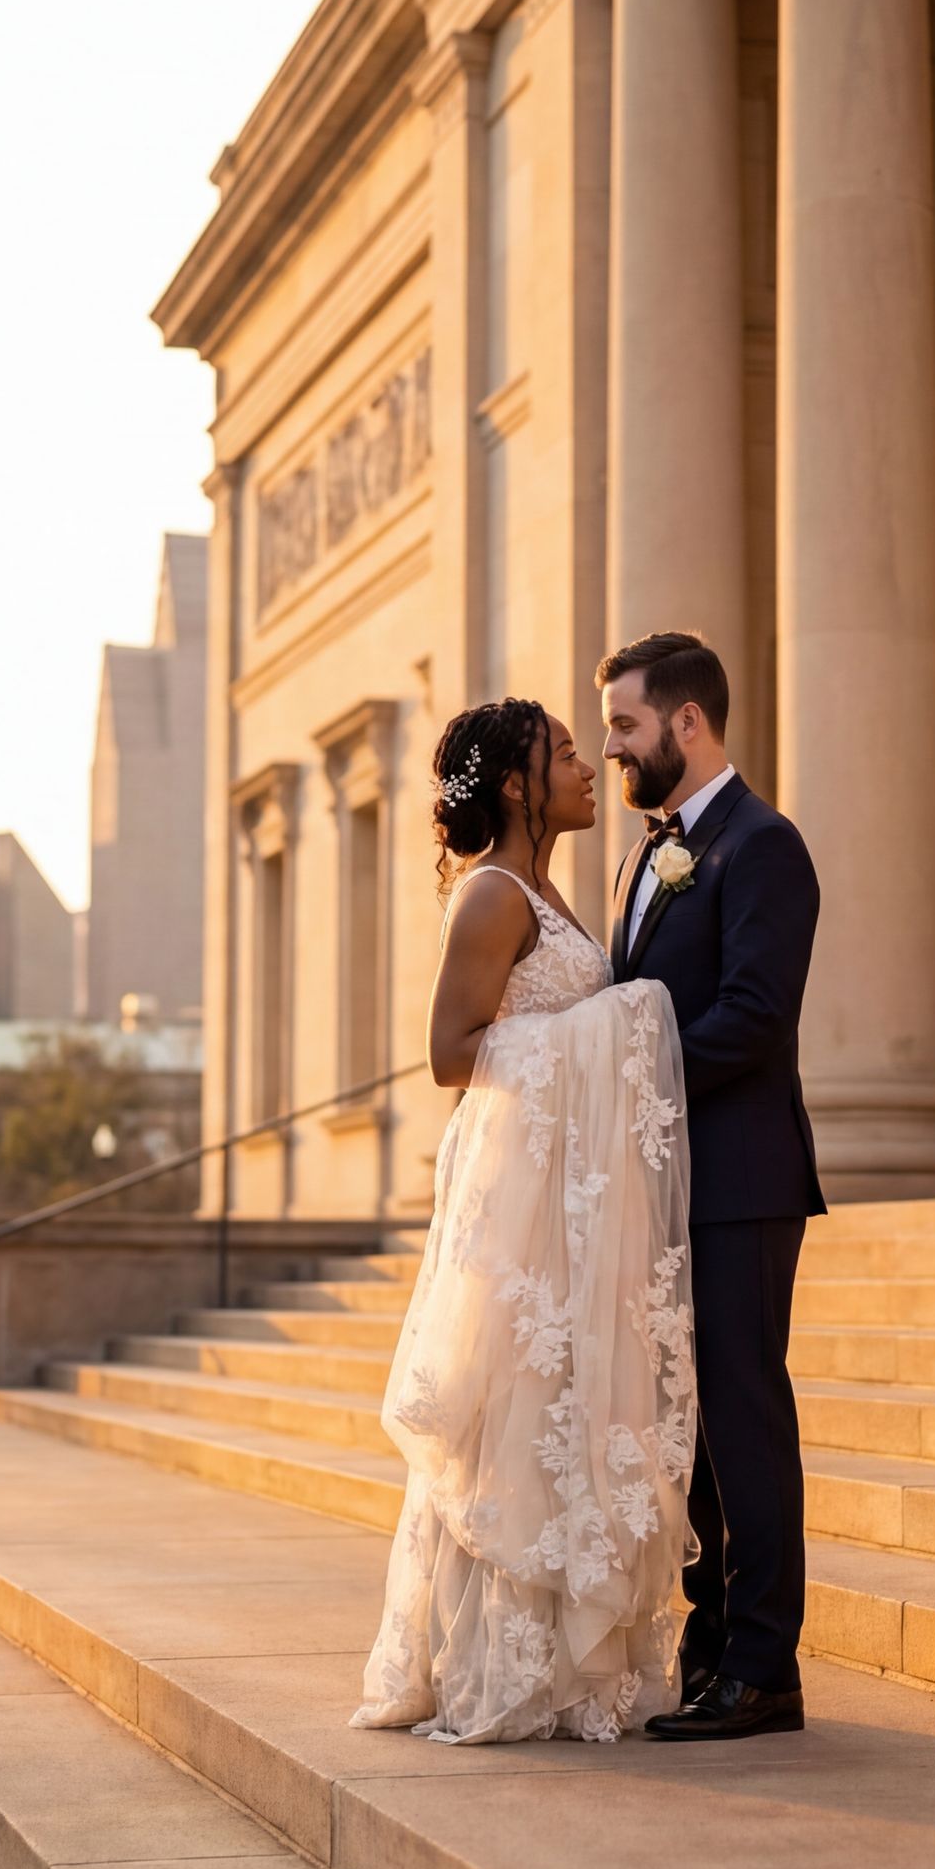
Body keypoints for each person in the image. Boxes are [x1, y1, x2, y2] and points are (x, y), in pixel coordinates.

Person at [354, 699, 697, 1745]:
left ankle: (562, 1658)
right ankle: (501, 1663)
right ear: (515, 785)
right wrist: (613, 1025)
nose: (587, 766)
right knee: (517, 1417)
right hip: (521, 1198)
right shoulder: (494, 897)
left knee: (565, 1410)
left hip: (570, 1196)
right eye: (560, 753)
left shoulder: (552, 890)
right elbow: (452, 1054)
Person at [597, 631, 825, 1742]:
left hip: (740, 1180)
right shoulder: (649, 853)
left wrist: (622, 1067)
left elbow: (754, 1017)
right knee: (688, 1432)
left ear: (688, 724)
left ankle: (765, 1667)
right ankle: (711, 1645)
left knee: (745, 1418)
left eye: (628, 727)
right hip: (668, 1180)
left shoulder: (764, 846)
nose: (614, 750)